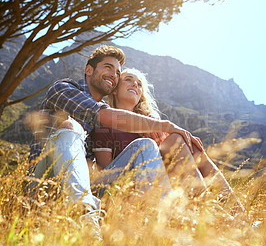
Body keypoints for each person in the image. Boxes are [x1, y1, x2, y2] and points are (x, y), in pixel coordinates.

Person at [27, 45, 203, 217]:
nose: (114, 75)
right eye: (108, 67)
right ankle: (84, 215)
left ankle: (163, 222)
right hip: (43, 182)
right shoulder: (64, 89)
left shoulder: (104, 112)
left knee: (145, 146)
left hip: (89, 187)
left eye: (118, 73)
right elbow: (106, 115)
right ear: (89, 70)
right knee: (70, 127)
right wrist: (166, 125)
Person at [92, 68, 238, 205]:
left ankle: (237, 211)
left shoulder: (152, 128)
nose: (135, 85)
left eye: (139, 84)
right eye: (128, 80)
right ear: (115, 90)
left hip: (160, 182)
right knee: (163, 142)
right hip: (125, 186)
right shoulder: (105, 123)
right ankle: (206, 207)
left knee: (186, 145)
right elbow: (105, 173)